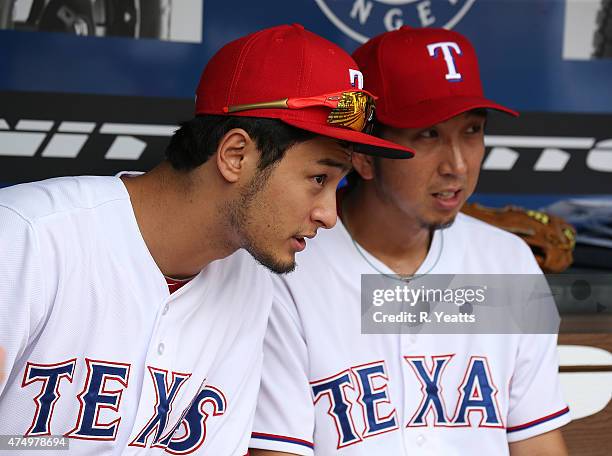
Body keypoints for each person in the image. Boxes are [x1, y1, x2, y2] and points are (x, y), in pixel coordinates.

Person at [0, 24, 412, 455]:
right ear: (235, 155)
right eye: (317, 178)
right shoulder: (26, 239)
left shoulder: (249, 283)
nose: (329, 214)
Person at [249, 26, 570, 456]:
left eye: (472, 131)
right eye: (429, 135)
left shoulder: (506, 263)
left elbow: (538, 444)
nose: (457, 164)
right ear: (363, 153)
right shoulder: (287, 267)